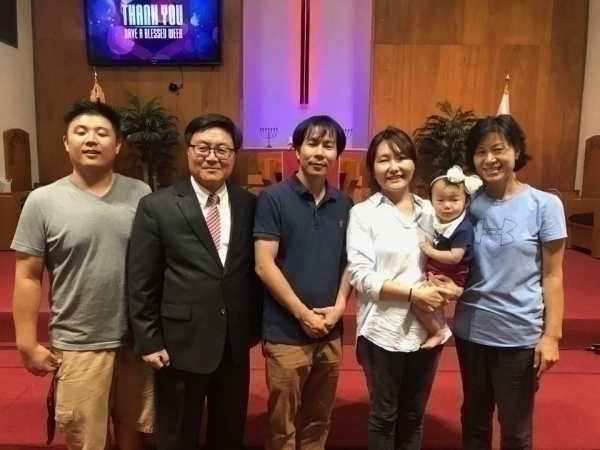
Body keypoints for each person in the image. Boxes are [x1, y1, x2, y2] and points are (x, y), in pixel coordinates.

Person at [11, 100, 154, 450]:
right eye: (81, 132)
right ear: (66, 142)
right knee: (87, 440)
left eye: (102, 133)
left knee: (134, 435)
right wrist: (27, 343)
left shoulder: (140, 194)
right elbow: (27, 276)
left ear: (117, 145)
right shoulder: (42, 201)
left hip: (135, 341)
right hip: (79, 342)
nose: (91, 139)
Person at [429, 115, 566, 450]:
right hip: (472, 330)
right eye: (480, 152)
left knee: (515, 430)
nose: (489, 159)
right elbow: (456, 257)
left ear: (516, 151)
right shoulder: (466, 203)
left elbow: (553, 275)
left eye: (498, 149)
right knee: (474, 420)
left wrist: (552, 335)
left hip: (518, 334)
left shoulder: (544, 205)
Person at [127, 113, 262, 450]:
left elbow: (252, 272)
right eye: (203, 147)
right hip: (180, 343)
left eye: (222, 149)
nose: (212, 156)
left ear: (234, 155)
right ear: (188, 151)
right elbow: (142, 279)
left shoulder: (249, 204)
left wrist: (255, 328)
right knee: (178, 433)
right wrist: (148, 340)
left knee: (229, 430)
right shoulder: (157, 206)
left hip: (234, 343)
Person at [346, 126, 452, 450]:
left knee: (414, 415)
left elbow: (450, 258)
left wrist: (449, 285)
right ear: (372, 167)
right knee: (384, 415)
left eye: (401, 157)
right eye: (384, 160)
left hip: (427, 328)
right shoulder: (363, 214)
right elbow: (360, 275)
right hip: (382, 330)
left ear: (413, 163)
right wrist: (412, 293)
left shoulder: (432, 212)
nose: (394, 167)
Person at [254, 115, 354, 450]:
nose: (319, 152)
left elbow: (350, 262)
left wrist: (340, 307)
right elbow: (264, 265)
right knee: (282, 423)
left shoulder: (344, 203)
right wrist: (302, 314)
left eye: (328, 145)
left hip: (330, 331)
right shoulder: (274, 198)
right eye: (312, 143)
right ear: (297, 150)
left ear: (337, 154)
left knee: (319, 418)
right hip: (286, 332)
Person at [415, 165, 482, 349]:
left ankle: (438, 332)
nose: (447, 205)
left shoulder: (462, 228)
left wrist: (430, 251)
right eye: (440, 200)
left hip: (452, 274)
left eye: (454, 200)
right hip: (439, 269)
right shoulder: (441, 220)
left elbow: (455, 257)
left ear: (466, 202)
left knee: (419, 302)